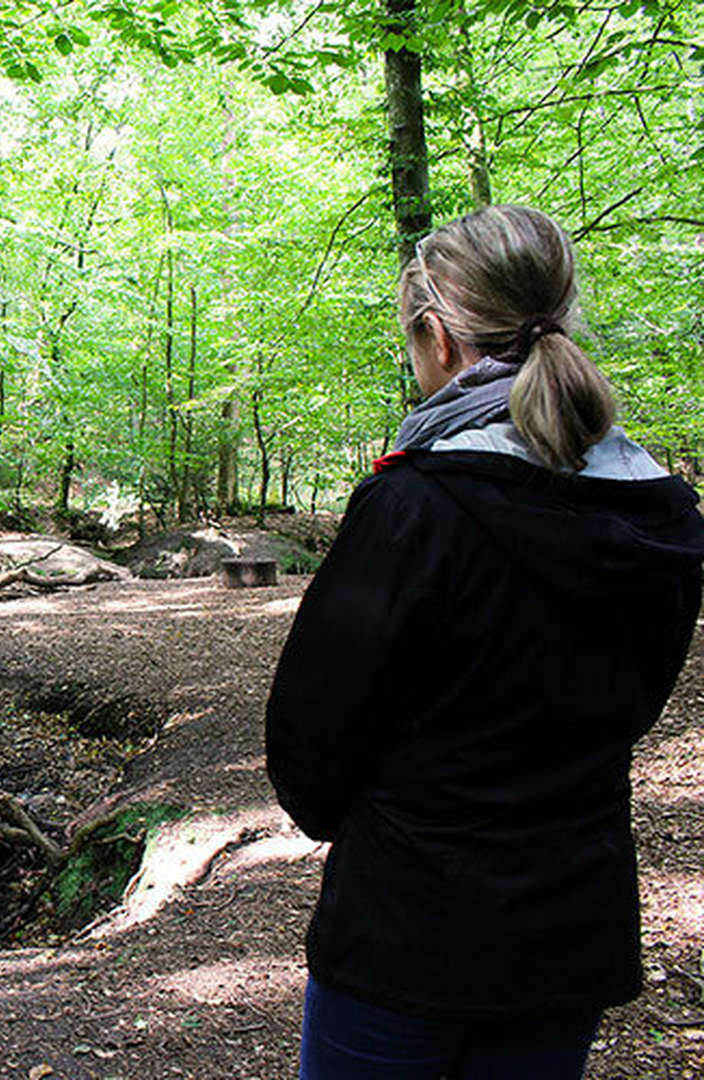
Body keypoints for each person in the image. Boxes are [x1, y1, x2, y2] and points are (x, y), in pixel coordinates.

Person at [264, 204, 704, 1080]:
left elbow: (310, 735)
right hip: (572, 922)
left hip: (406, 930)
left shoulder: (415, 507)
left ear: (439, 337)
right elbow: (633, 706)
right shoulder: (661, 510)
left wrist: (369, 822)